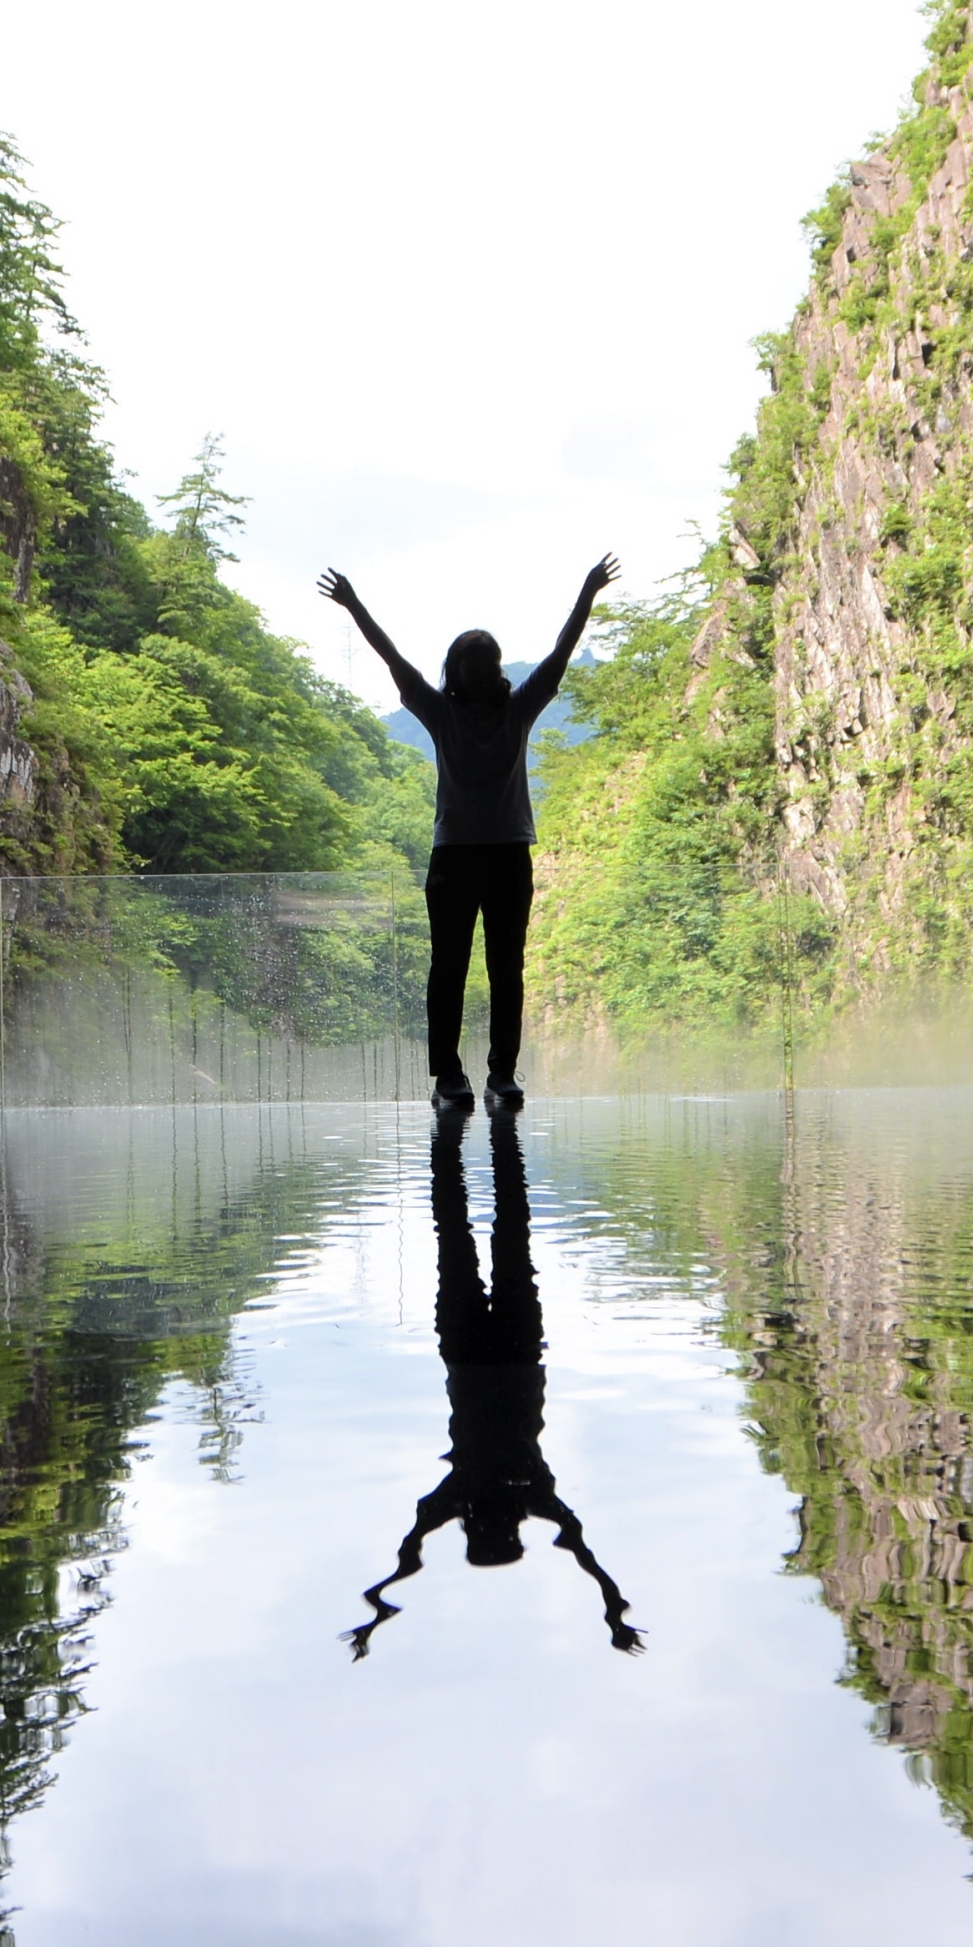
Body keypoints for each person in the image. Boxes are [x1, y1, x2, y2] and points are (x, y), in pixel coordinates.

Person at [318, 552, 615, 1116]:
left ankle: (456, 1076)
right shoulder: (516, 708)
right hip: (501, 855)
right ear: (484, 670)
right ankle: (495, 1074)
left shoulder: (447, 710)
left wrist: (354, 604)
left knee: (453, 967)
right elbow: (560, 654)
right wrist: (586, 594)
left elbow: (394, 660)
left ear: (456, 672)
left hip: (458, 856)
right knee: (502, 966)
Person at [345, 1105, 641, 1661]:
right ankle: (477, 1137)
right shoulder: (490, 1497)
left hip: (514, 1356)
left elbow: (585, 1557)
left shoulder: (520, 1497)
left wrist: (379, 1610)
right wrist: (376, 1606)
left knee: (507, 1232)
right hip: (476, 1355)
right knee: (459, 1236)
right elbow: (409, 1554)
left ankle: (479, 1135)